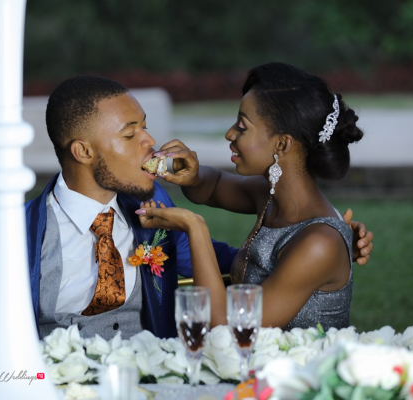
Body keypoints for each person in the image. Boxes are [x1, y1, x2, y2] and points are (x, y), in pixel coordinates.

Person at [0, 74, 373, 340]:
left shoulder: (155, 210)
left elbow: (235, 265)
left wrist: (325, 243)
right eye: (130, 133)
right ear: (83, 150)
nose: (150, 143)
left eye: (145, 126)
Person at [136, 62, 370, 331]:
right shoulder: (269, 195)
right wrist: (191, 173)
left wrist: (194, 227)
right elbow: (213, 187)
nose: (229, 134)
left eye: (242, 126)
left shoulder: (319, 243)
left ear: (281, 144)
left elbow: (230, 327)